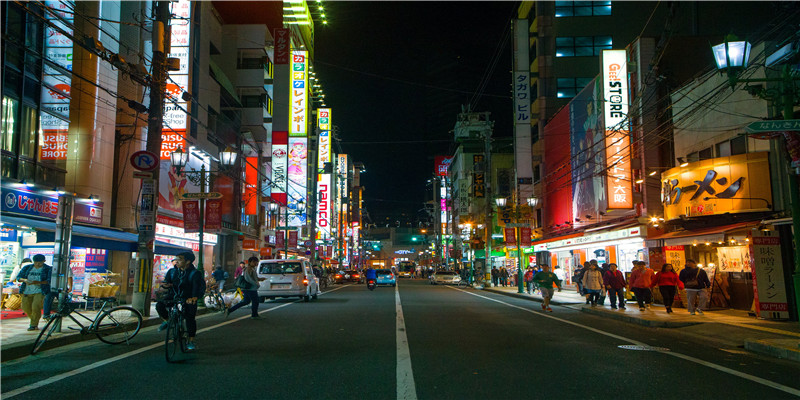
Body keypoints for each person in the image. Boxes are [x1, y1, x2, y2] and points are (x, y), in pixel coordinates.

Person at [156, 252, 204, 350]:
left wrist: (194, 298)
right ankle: (167, 321)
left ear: (188, 261)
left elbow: (198, 287)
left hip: (188, 297)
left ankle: (190, 340)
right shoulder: (172, 272)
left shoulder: (195, 273)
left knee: (190, 318)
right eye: (176, 259)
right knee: (159, 305)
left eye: (180, 259)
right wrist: (165, 285)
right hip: (173, 295)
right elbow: (166, 282)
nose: (176, 261)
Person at [16, 254, 52, 331]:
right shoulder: (27, 268)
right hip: (26, 290)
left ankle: (33, 324)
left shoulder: (48, 269)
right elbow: (18, 277)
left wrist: (38, 282)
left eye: (40, 262)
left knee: (36, 307)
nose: (38, 264)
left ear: (44, 261)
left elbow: (49, 281)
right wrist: (24, 280)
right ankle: (34, 319)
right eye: (36, 262)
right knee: (25, 307)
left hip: (40, 291)